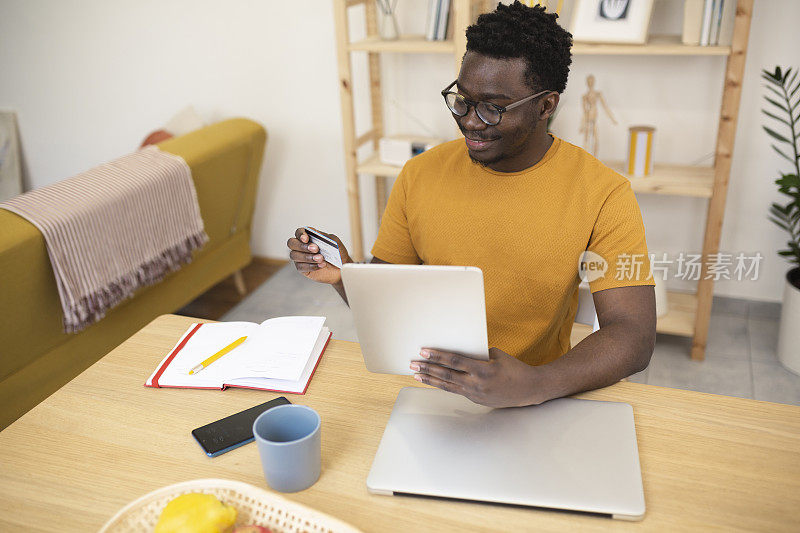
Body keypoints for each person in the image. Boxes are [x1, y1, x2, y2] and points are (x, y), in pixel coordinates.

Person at [287, 1, 655, 408]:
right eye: (462, 99)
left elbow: (634, 334)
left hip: (535, 396)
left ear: (546, 106)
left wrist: (536, 383)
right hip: (426, 389)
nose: (470, 121)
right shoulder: (420, 174)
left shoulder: (604, 193)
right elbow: (388, 306)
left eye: (494, 108)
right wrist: (344, 276)